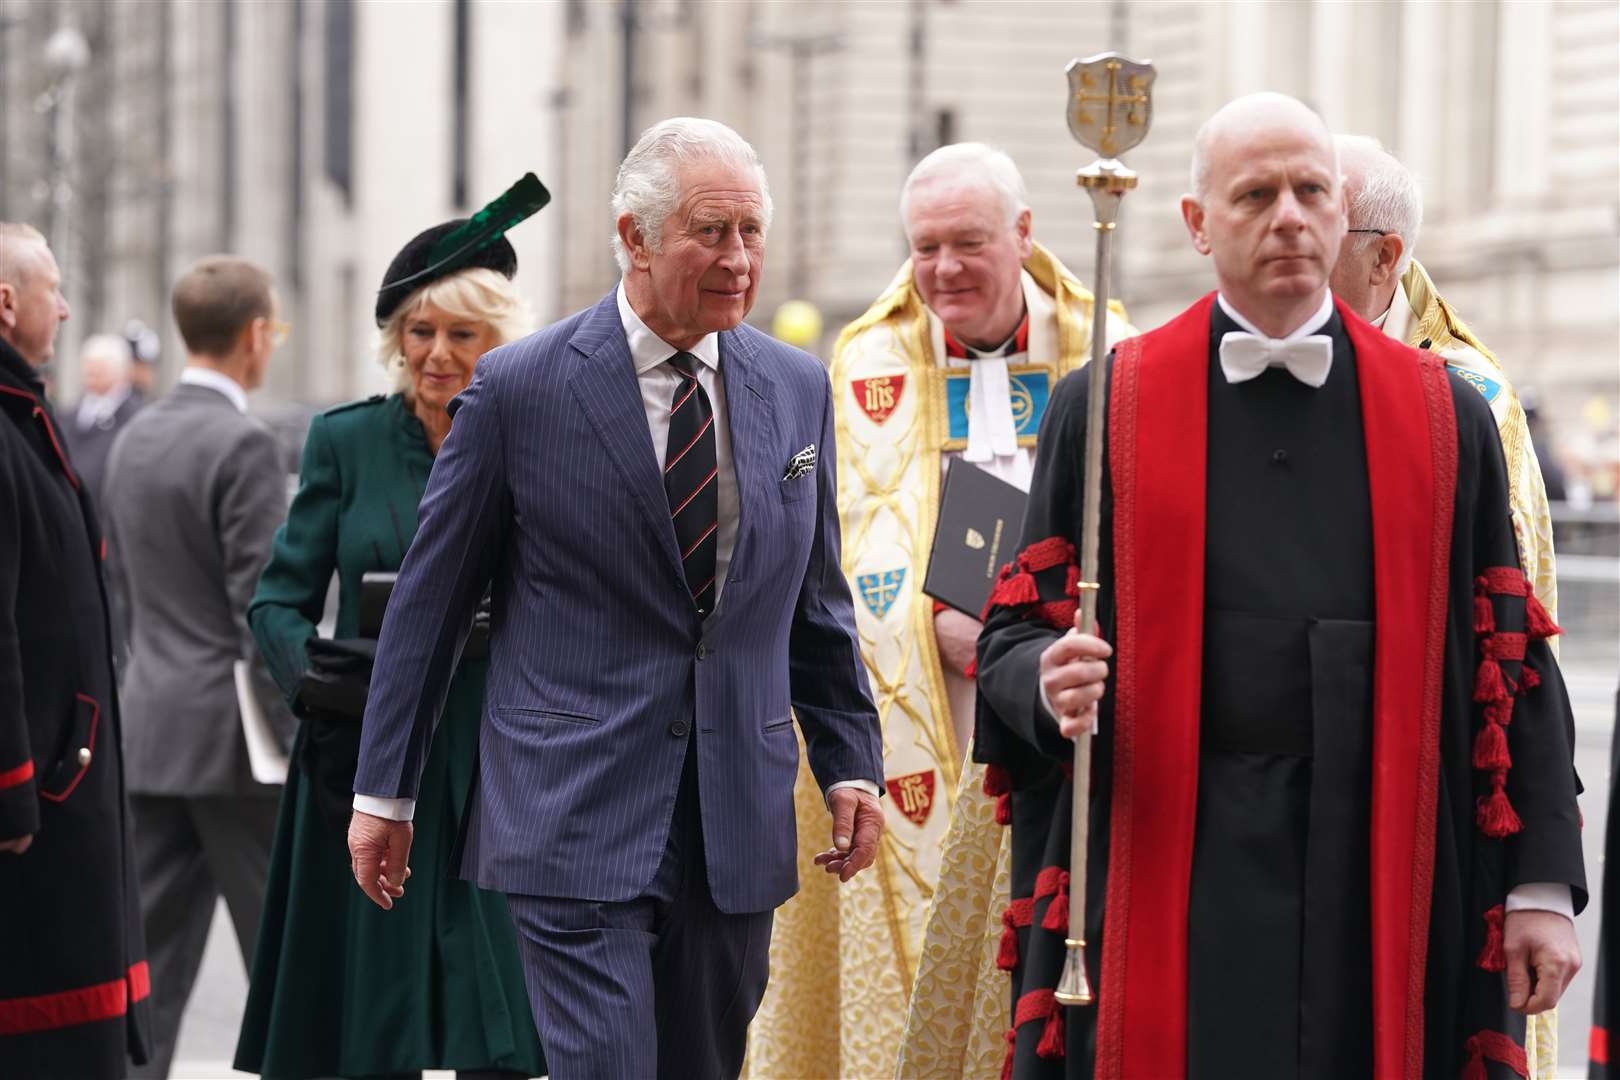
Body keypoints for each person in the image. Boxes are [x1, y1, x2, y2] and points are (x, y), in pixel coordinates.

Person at [974, 93, 1585, 1078]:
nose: (1290, 217)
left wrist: (1542, 888)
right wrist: (1045, 678)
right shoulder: (1106, 404)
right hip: (1170, 861)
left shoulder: (1444, 418)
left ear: (1346, 216)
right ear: (1198, 223)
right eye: (1256, 195)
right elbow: (1012, 632)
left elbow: (1512, 663)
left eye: (1312, 192)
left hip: (1386, 872)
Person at [347, 117, 886, 1080]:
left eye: (751, 232)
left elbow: (815, 600)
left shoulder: (797, 388)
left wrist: (851, 762)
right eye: (711, 232)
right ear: (634, 239)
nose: (739, 259)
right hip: (572, 810)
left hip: (734, 814)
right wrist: (385, 791)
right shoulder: (521, 389)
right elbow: (430, 605)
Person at [748, 143, 1133, 1079]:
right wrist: (930, 630)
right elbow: (838, 544)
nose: (944, 270)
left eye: (968, 243)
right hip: (922, 697)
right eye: (925, 248)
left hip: (1057, 691)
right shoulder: (867, 357)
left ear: (1025, 236)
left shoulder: (1105, 343)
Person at [234, 185, 549, 1080]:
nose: (437, 355)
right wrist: (321, 686)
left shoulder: (535, 439)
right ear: (395, 340)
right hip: (370, 761)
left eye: (462, 334)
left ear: (498, 341)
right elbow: (276, 604)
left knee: (506, 1032)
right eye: (420, 333)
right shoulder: (347, 444)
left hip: (499, 759)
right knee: (370, 1033)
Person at [98, 256, 295, 1078]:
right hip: (235, 747)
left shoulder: (132, 434)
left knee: (151, 978)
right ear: (256, 336)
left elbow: (123, 593)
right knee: (290, 972)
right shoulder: (244, 443)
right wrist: (295, 739)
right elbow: (261, 611)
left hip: (149, 727)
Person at [0, 221, 151, 1077]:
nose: (63, 308)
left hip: (62, 781)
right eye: (50, 290)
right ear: (7, 303)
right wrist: (13, 790)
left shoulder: (25, 415)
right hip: (36, 808)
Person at [1329, 133, 1560, 645]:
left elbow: (1501, 611)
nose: (1288, 236)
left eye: (1321, 221)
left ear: (1383, 259)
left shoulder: (1469, 400)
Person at [62, 332, 142, 504]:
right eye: (88, 365)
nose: (91, 372)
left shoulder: (137, 419)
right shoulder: (68, 416)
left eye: (101, 366)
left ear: (121, 371)